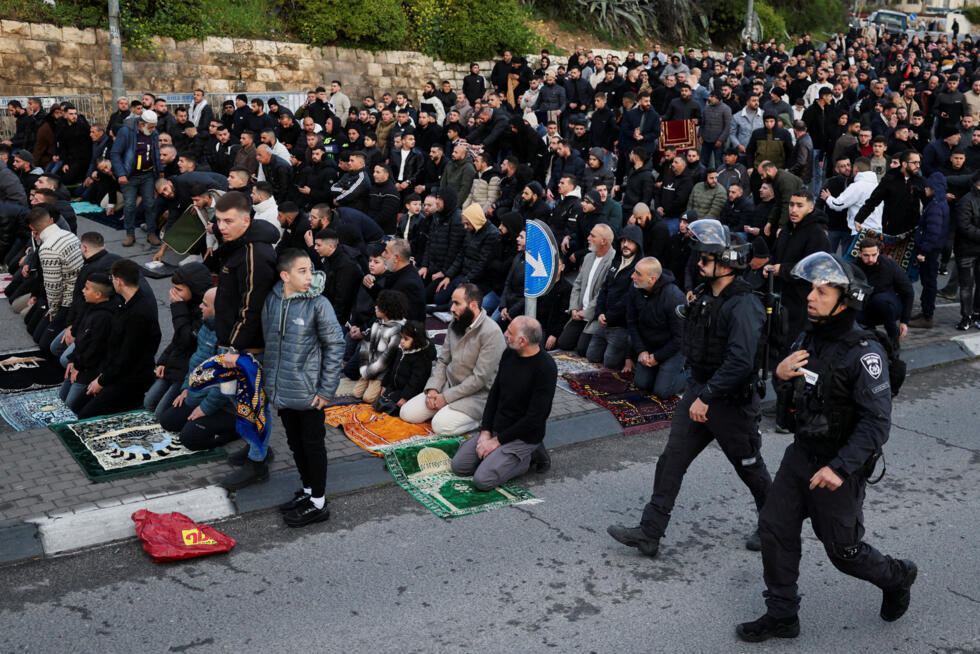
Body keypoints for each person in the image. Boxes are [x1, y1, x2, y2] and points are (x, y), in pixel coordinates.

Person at [737, 252, 916, 642]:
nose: (810, 297)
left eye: (822, 291)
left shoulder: (865, 352)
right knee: (774, 526)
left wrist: (840, 468)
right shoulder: (807, 337)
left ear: (846, 297)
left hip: (838, 467)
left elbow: (876, 423)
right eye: (811, 289)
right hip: (801, 455)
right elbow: (794, 403)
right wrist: (781, 376)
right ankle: (782, 613)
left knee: (843, 551)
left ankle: (897, 577)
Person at [608, 219, 771, 557]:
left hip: (730, 401)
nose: (698, 263)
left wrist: (707, 397)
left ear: (726, 263)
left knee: (749, 466)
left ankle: (773, 526)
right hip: (700, 390)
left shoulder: (743, 305)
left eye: (705, 259)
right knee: (671, 460)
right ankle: (649, 533)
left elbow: (741, 362)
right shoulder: (707, 297)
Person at [261, 249, 345, 527]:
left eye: (310, 270)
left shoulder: (319, 304)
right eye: (302, 271)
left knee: (313, 445)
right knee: (295, 444)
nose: (310, 276)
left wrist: (325, 391)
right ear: (285, 276)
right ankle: (308, 491)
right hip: (282, 391)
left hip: (310, 395)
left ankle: (319, 503)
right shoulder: (273, 300)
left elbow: (335, 347)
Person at [213, 191, 279, 490]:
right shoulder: (237, 246)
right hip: (234, 341)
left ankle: (258, 462)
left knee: (251, 404)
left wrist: (234, 347)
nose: (221, 226)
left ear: (246, 220)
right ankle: (259, 449)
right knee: (240, 400)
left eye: (228, 221)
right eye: (218, 220)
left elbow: (252, 306)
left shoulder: (255, 252)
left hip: (249, 347)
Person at [450, 316, 556, 489]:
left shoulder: (545, 367)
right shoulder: (509, 353)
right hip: (498, 427)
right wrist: (485, 431)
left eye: (510, 333)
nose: (505, 334)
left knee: (482, 481)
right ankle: (498, 458)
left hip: (523, 435)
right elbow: (495, 393)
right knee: (459, 467)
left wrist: (496, 442)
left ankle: (528, 458)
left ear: (523, 341)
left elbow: (535, 418)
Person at [400, 284, 506, 435]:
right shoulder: (455, 323)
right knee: (407, 413)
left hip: (476, 396)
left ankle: (482, 418)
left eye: (457, 303)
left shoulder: (492, 333)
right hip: (447, 386)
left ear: (473, 305)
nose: (451, 308)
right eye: (452, 302)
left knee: (439, 425)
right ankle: (446, 410)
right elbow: (443, 360)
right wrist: (433, 389)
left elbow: (479, 379)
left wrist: (446, 398)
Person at [73, 259, 161, 419]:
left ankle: (129, 407)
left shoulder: (138, 313)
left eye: (113, 279)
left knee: (85, 416)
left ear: (119, 281)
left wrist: (102, 381)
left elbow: (125, 357)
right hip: (116, 371)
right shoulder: (128, 302)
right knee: (77, 405)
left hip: (129, 378)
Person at [157, 287, 239, 453]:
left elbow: (226, 385)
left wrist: (205, 408)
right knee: (168, 421)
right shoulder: (207, 327)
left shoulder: (228, 337)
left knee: (190, 438)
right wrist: (186, 388)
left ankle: (238, 428)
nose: (200, 307)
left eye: (205, 304)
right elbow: (196, 362)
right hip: (202, 393)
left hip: (227, 405)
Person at [144, 263, 213, 417]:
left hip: (188, 371)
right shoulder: (185, 304)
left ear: (194, 288)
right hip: (176, 363)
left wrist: (178, 308)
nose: (173, 293)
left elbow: (186, 340)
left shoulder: (204, 309)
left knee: (161, 413)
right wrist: (163, 360)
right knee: (149, 402)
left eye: (179, 289)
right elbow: (177, 339)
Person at [625, 257, 687, 398]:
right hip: (649, 345)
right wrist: (641, 351)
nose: (632, 276)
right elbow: (631, 322)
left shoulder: (674, 297)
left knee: (662, 391)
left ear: (652, 279)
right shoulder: (635, 287)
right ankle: (661, 372)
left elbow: (680, 337)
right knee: (642, 383)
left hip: (673, 347)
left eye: (638, 274)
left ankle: (692, 374)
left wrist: (658, 357)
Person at [587, 224, 644, 368]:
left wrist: (609, 316)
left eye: (630, 241)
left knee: (610, 363)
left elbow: (628, 298)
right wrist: (599, 312)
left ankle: (627, 355)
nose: (625, 245)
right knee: (591, 356)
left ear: (638, 244)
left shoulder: (639, 267)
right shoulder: (617, 261)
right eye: (623, 241)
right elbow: (604, 288)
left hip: (620, 325)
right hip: (603, 320)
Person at [30, 206, 83, 353]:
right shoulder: (68, 234)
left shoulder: (48, 248)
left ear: (32, 227)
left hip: (69, 301)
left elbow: (54, 286)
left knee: (44, 345)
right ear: (50, 220)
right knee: (35, 328)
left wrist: (53, 311)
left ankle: (78, 333)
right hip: (77, 292)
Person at [556, 223, 616, 355]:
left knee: (582, 350)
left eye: (592, 236)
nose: (588, 238)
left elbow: (603, 292)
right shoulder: (588, 257)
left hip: (594, 315)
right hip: (579, 312)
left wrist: (586, 312)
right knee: (563, 343)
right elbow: (577, 284)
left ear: (604, 241)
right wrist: (574, 308)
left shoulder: (613, 261)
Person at [60, 273, 115, 413]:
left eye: (86, 288)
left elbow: (95, 349)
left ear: (98, 294)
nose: (83, 291)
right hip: (81, 362)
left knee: (71, 406)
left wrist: (78, 365)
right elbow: (82, 340)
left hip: (92, 368)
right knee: (62, 397)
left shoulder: (104, 318)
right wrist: (73, 360)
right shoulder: (91, 307)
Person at [109, 109, 162, 247]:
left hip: (148, 174)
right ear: (142, 124)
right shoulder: (126, 132)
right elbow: (115, 153)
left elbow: (156, 152)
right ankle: (130, 234)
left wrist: (160, 170)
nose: (154, 129)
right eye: (151, 126)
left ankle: (151, 233)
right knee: (130, 205)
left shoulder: (153, 132)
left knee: (150, 204)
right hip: (129, 176)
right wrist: (120, 173)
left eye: (154, 126)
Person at [852, 239, 914, 347]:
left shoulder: (889, 265)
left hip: (887, 305)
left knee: (880, 300)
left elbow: (908, 292)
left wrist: (904, 321)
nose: (870, 259)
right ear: (859, 253)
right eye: (866, 255)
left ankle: (893, 340)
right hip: (864, 306)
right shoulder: (853, 267)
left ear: (878, 252)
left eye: (873, 255)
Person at [909, 173, 951, 330]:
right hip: (933, 250)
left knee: (929, 283)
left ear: (933, 188)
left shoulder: (935, 206)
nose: (925, 188)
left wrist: (923, 252)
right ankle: (925, 312)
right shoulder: (939, 202)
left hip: (930, 251)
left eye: (927, 186)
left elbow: (933, 232)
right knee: (928, 282)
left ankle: (927, 316)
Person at [353, 290, 407, 404]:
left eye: (379, 305)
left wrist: (369, 373)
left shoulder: (397, 330)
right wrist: (364, 369)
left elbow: (387, 359)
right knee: (356, 393)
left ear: (387, 309)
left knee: (368, 398)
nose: (375, 307)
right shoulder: (376, 323)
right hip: (369, 368)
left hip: (382, 373)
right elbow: (365, 346)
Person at [376, 320, 436, 415]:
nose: (402, 341)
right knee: (380, 401)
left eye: (406, 339)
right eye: (402, 338)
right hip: (396, 386)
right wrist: (385, 385)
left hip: (409, 391)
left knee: (394, 408)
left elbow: (416, 381)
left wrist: (405, 397)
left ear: (416, 340)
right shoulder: (401, 350)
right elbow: (392, 368)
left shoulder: (421, 358)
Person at [953, 170, 980, 330]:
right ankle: (966, 316)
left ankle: (976, 314)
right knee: (966, 285)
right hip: (966, 250)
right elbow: (964, 226)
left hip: (973, 247)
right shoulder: (966, 201)